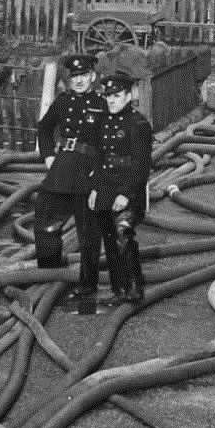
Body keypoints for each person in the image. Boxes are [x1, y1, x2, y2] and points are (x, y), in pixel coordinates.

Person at [34, 51, 106, 309]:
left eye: (83, 76)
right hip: (63, 167)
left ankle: (87, 287)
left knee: (88, 231)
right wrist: (48, 156)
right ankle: (49, 275)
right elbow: (44, 128)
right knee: (45, 217)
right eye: (74, 76)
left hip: (90, 169)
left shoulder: (103, 104)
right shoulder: (63, 102)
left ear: (92, 77)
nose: (78, 80)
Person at [86, 71, 153, 306]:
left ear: (128, 96)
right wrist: (95, 189)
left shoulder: (138, 124)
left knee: (123, 235)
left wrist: (126, 194)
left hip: (130, 190)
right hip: (105, 187)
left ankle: (134, 287)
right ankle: (118, 289)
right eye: (108, 96)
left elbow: (141, 165)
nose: (111, 100)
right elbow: (97, 157)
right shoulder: (102, 122)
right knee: (109, 239)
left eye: (116, 95)